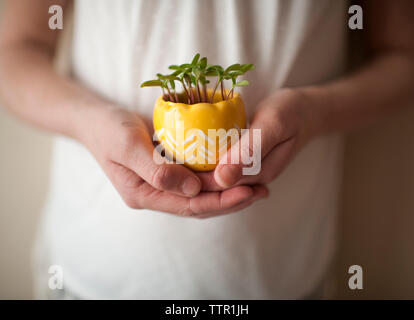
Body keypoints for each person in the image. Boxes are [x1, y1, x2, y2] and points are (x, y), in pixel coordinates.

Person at [0, 0, 413, 299]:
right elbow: (14, 49)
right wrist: (89, 122)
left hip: (280, 278)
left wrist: (313, 114)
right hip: (94, 273)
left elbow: (402, 56)